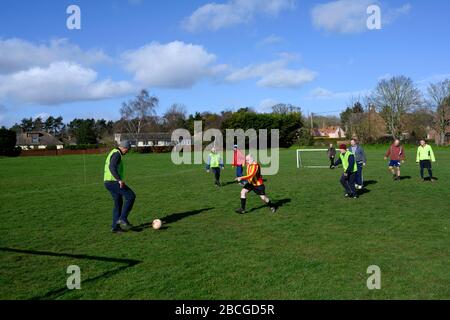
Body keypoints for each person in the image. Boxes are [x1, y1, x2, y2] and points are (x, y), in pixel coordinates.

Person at [104, 140, 136, 234]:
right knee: (131, 196)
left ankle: (115, 227)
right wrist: (119, 180)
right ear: (123, 147)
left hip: (108, 182)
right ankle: (123, 218)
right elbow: (112, 167)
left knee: (118, 202)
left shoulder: (113, 152)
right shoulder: (117, 154)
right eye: (127, 149)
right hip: (113, 182)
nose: (127, 151)